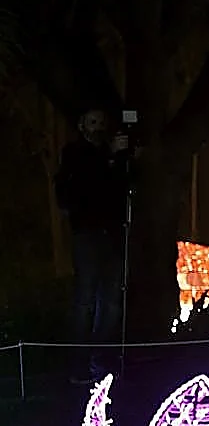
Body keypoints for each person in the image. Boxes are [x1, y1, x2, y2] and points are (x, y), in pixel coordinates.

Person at [54, 106, 130, 383]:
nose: (98, 127)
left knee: (110, 301)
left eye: (101, 122)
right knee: (85, 299)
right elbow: (82, 186)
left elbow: (121, 186)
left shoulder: (111, 154)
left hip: (113, 233)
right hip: (87, 232)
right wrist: (111, 156)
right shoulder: (75, 153)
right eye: (92, 122)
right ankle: (80, 363)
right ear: (82, 125)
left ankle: (102, 359)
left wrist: (121, 158)